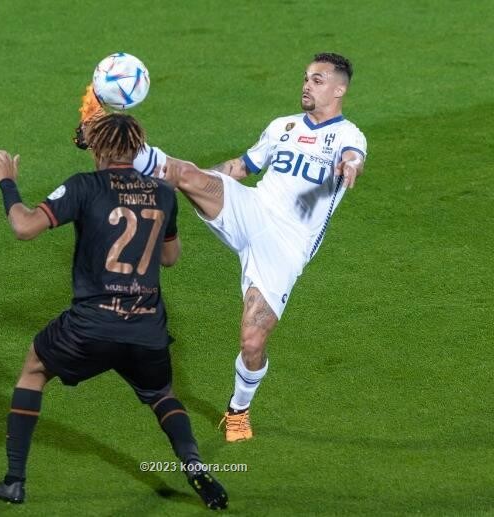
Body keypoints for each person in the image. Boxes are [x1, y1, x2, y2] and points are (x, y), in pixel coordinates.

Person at [74, 52, 367, 443]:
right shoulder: (283, 126)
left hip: (285, 246)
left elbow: (353, 157)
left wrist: (349, 166)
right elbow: (242, 167)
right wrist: (201, 179)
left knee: (252, 340)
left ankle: (238, 410)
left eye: (316, 80)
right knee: (184, 174)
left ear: (339, 89)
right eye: (306, 78)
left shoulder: (349, 135)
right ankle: (101, 133)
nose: (306, 85)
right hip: (251, 208)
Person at [0, 113, 228, 510]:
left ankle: (14, 480)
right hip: (146, 327)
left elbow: (24, 227)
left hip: (91, 326)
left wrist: (7, 183)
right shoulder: (163, 192)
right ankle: (196, 467)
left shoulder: (84, 187)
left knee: (34, 368)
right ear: (138, 148)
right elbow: (170, 257)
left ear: (96, 147)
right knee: (161, 394)